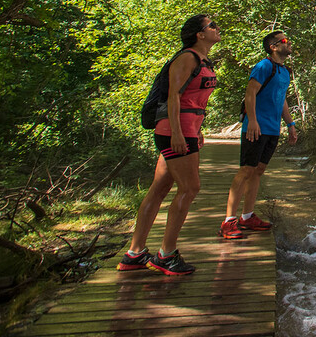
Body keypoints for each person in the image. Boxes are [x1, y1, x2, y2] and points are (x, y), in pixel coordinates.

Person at [116, 14, 221, 276]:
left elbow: (194, 100)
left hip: (186, 129)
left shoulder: (204, 61)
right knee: (190, 188)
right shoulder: (186, 57)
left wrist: (198, 129)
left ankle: (135, 253)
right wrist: (177, 132)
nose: (218, 29)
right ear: (200, 34)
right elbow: (173, 95)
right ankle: (166, 254)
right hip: (175, 131)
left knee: (160, 188)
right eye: (212, 26)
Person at [220, 30, 298, 239]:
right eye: (284, 40)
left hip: (273, 129)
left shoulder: (284, 72)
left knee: (259, 170)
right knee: (246, 170)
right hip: (256, 127)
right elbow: (250, 93)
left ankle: (247, 215)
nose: (289, 43)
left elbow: (282, 100)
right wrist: (252, 121)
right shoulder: (264, 66)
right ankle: (228, 221)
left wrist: (290, 124)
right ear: (273, 46)